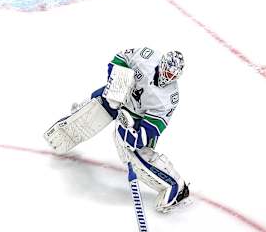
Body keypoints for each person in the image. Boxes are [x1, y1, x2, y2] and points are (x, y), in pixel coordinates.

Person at [44, 47, 191, 213]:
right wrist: (116, 87)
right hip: (123, 97)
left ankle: (175, 186)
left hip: (138, 119)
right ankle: (78, 116)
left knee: (131, 152)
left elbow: (154, 127)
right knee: (103, 101)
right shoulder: (146, 56)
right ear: (162, 63)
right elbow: (119, 60)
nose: (167, 77)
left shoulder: (170, 97)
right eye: (167, 72)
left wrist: (136, 136)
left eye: (172, 76)